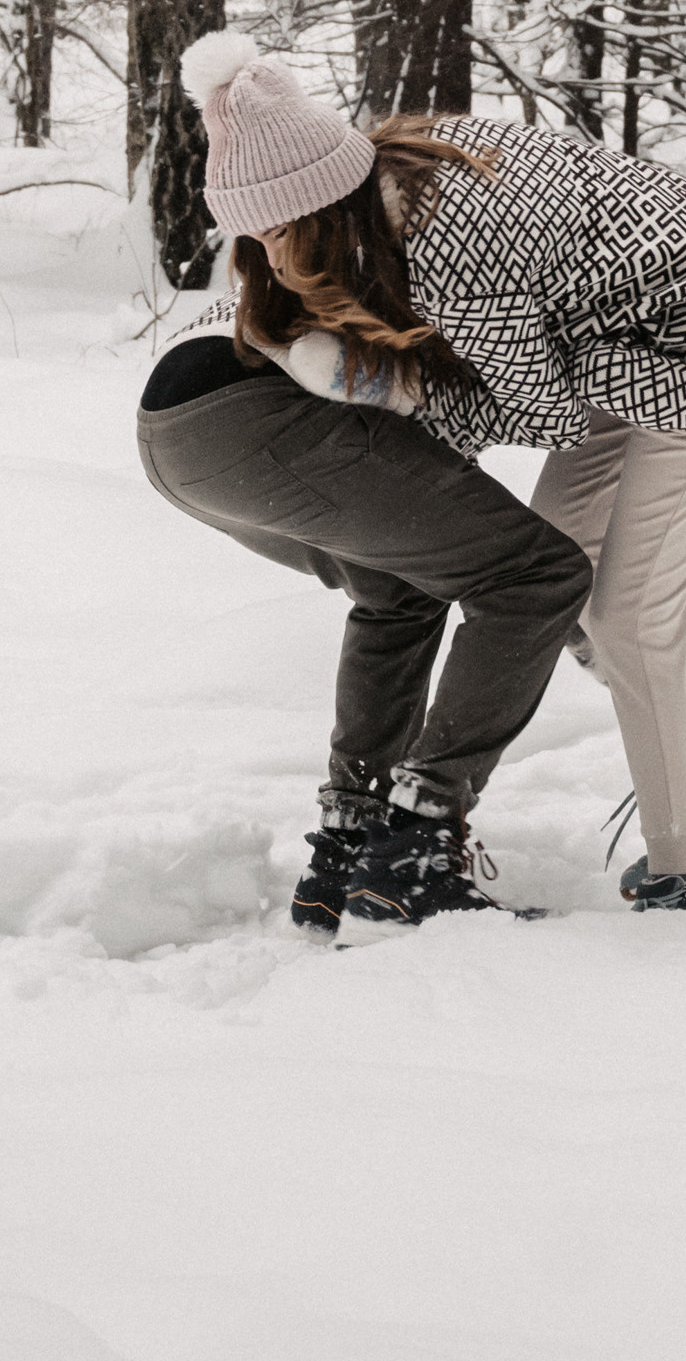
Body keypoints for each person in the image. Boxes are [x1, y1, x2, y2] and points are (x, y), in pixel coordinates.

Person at [193, 37, 686, 926]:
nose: (273, 259)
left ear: (327, 206)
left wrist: (400, 396)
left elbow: (546, 409)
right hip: (614, 337)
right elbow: (549, 374)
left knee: (629, 615)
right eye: (253, 236)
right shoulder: (386, 177)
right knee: (564, 587)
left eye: (281, 232)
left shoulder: (452, 253)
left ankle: (681, 878)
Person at [136, 229, 593, 940]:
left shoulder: (347, 228)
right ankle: (415, 849)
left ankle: (346, 854)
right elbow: (519, 405)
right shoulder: (456, 253)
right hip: (260, 416)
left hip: (177, 433)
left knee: (398, 589)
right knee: (538, 575)